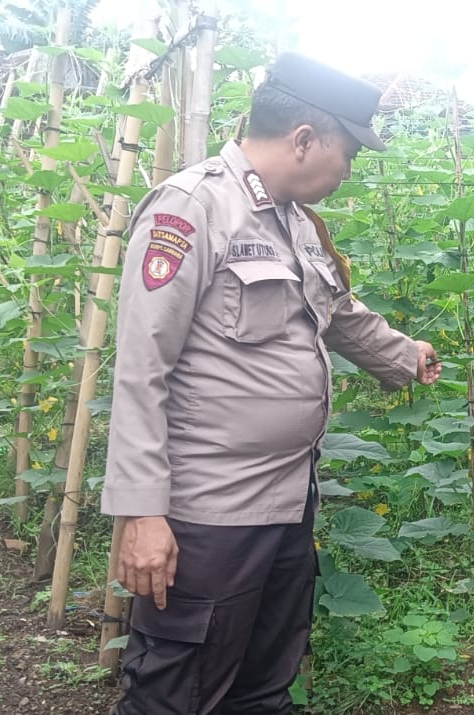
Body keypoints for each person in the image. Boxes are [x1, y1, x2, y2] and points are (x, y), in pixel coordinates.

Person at [99, 52, 442, 715]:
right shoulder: (193, 208)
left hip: (287, 502)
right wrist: (142, 513)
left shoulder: (296, 222)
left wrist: (404, 356)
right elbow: (142, 368)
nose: (349, 170)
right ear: (304, 138)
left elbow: (339, 312)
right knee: (177, 690)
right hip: (209, 513)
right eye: (348, 152)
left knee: (262, 683)